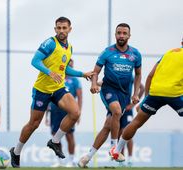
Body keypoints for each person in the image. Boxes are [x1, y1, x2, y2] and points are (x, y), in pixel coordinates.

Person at [9, 16, 93, 168]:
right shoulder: (49, 43)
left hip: (58, 88)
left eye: (64, 28)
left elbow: (64, 68)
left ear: (69, 29)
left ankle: (54, 142)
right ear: (55, 29)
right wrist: (49, 72)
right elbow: (34, 61)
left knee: (75, 112)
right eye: (59, 28)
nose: (61, 31)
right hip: (42, 89)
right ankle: (16, 151)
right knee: (34, 124)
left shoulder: (70, 47)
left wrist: (83, 74)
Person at [78, 23, 142, 167]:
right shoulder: (107, 52)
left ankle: (87, 157)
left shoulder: (135, 54)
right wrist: (94, 84)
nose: (121, 35)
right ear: (115, 34)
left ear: (129, 36)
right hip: (108, 89)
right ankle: (114, 148)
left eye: (124, 33)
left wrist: (136, 94)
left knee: (108, 126)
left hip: (124, 95)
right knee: (117, 111)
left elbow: (138, 75)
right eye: (119, 33)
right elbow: (95, 72)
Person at [110, 44, 183, 162]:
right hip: (175, 94)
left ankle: (116, 151)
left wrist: (145, 100)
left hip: (155, 92)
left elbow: (150, 76)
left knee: (136, 122)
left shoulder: (168, 53)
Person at [45, 59, 82, 167]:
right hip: (54, 111)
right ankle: (59, 160)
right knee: (55, 136)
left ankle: (71, 159)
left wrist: (78, 112)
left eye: (71, 65)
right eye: (68, 65)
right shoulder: (57, 77)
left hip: (68, 113)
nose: (70, 67)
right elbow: (49, 95)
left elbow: (80, 98)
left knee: (69, 135)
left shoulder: (75, 81)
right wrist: (46, 115)